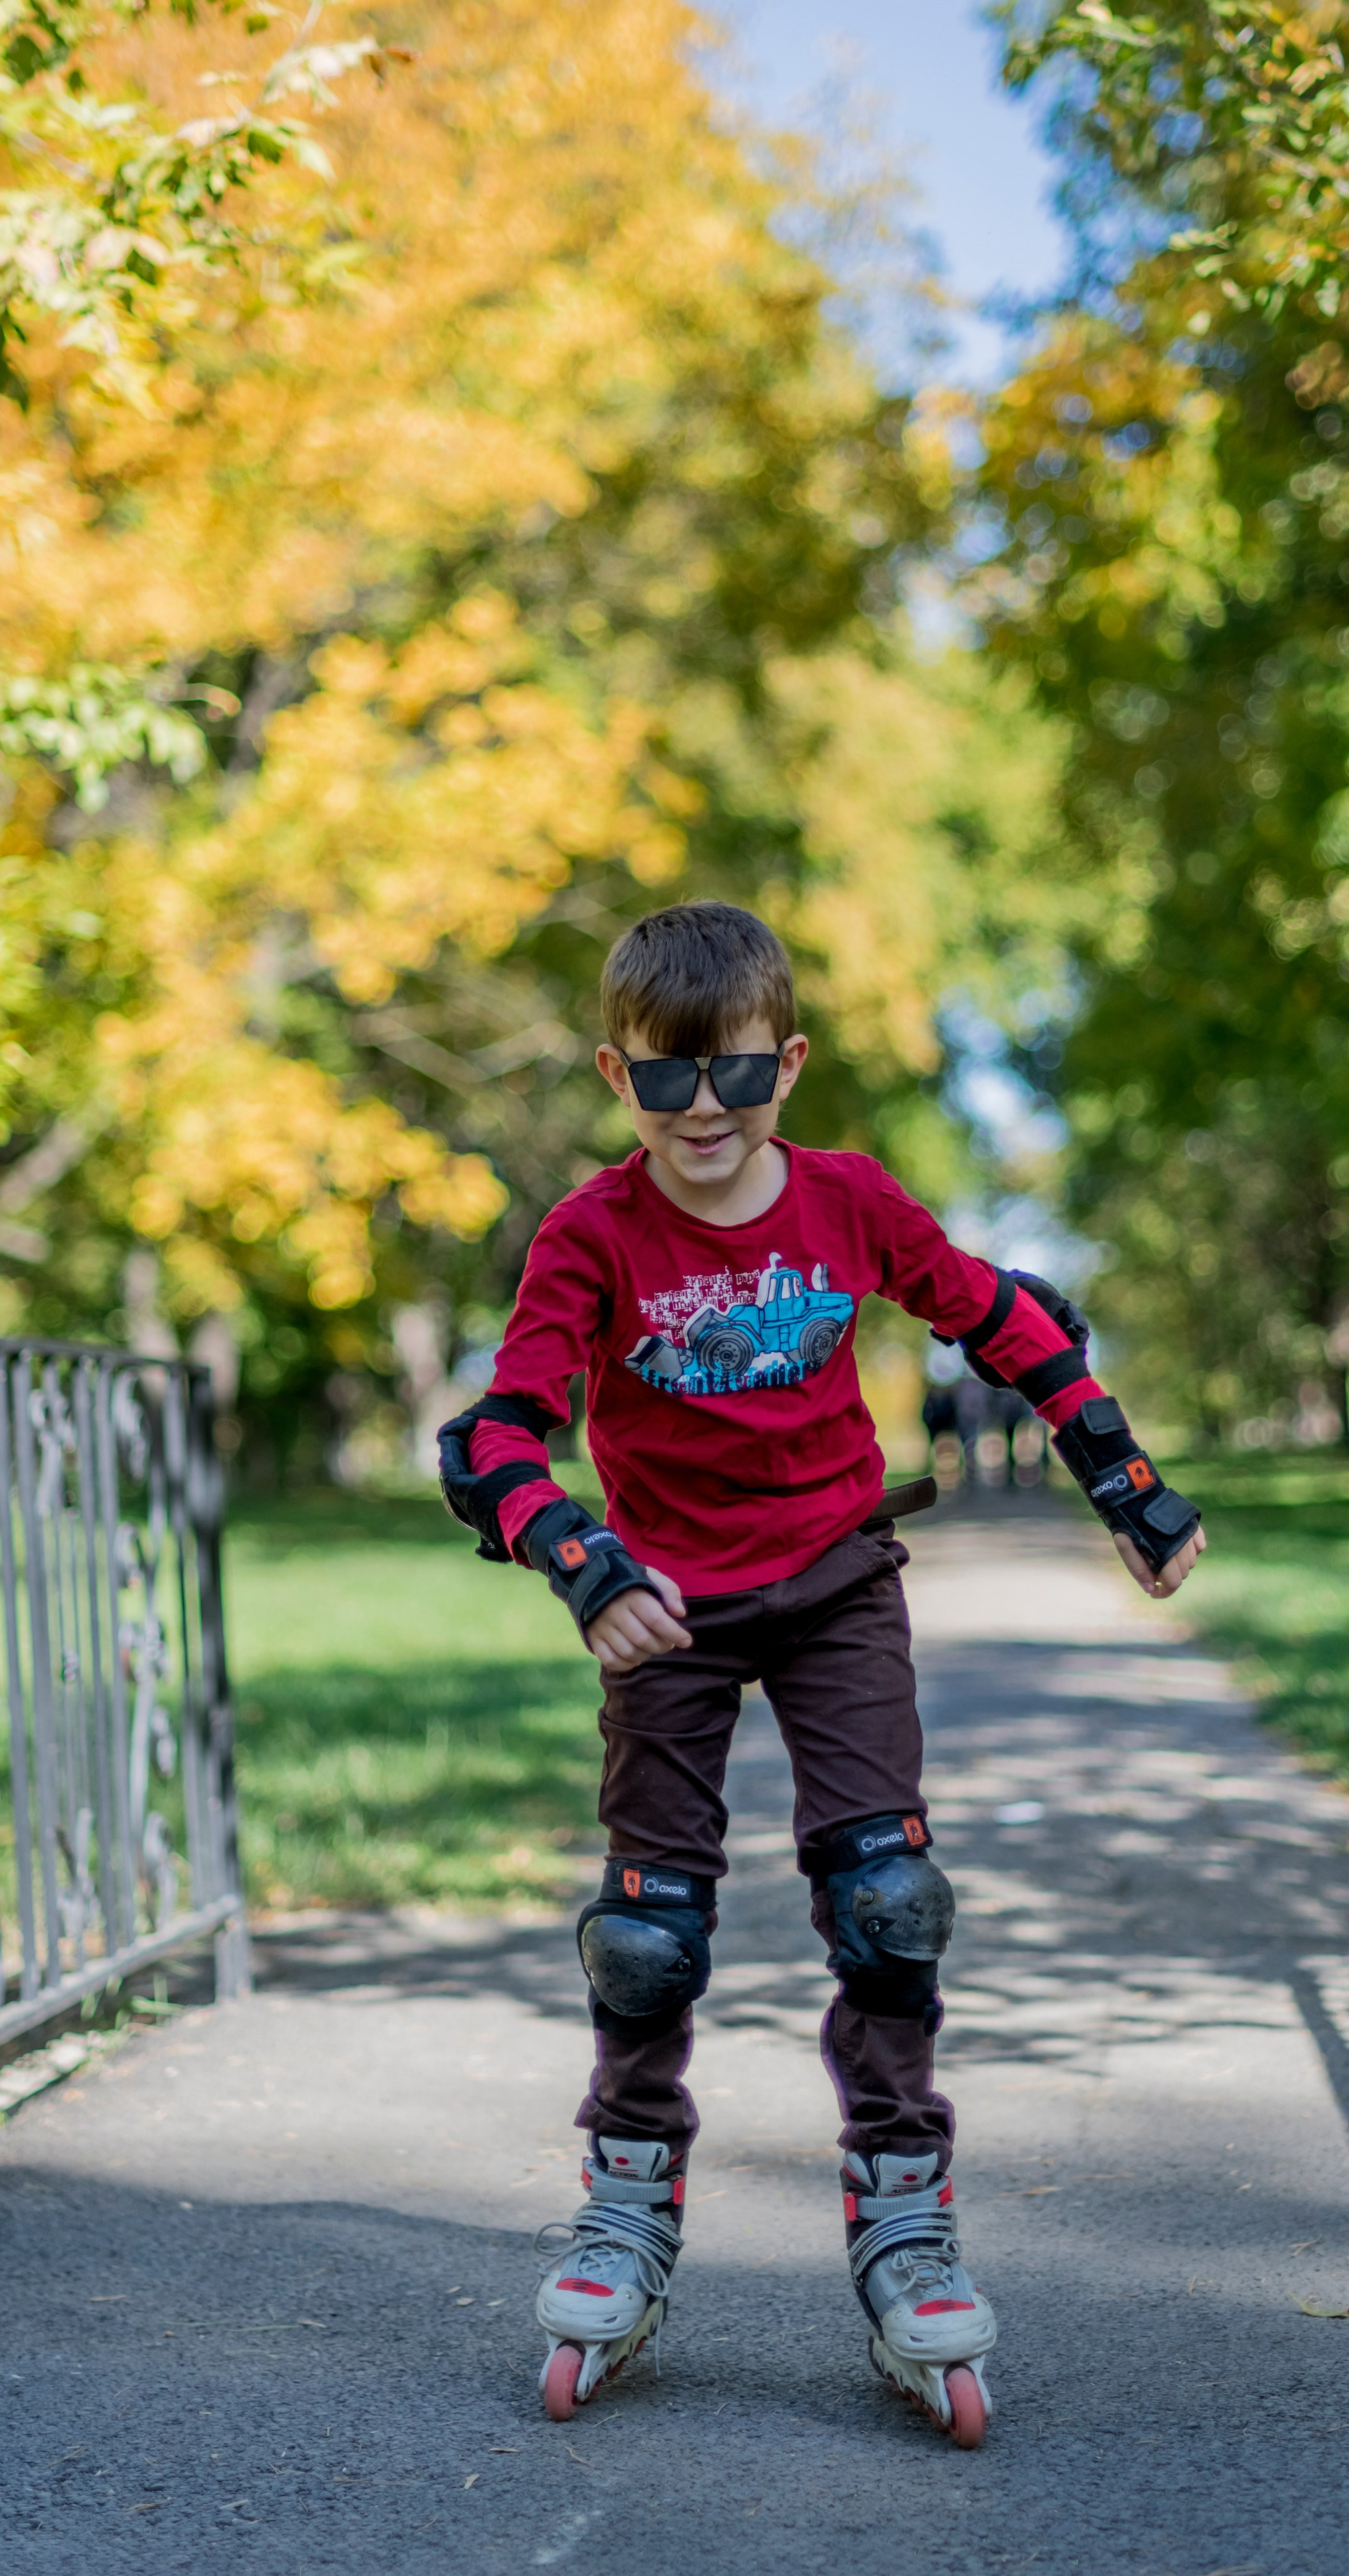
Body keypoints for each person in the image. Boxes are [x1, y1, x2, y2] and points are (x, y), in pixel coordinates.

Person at [439, 902, 1204, 2446]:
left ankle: (904, 2212)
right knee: (645, 1933)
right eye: (665, 1080)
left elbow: (1004, 1318)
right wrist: (582, 1564)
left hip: (837, 1581)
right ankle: (626, 2201)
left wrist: (1120, 1480)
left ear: (783, 1065)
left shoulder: (849, 1202)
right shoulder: (592, 1234)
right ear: (617, 1074)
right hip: (664, 1603)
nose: (701, 1111)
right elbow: (498, 1437)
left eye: (732, 1075)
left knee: (886, 1899)